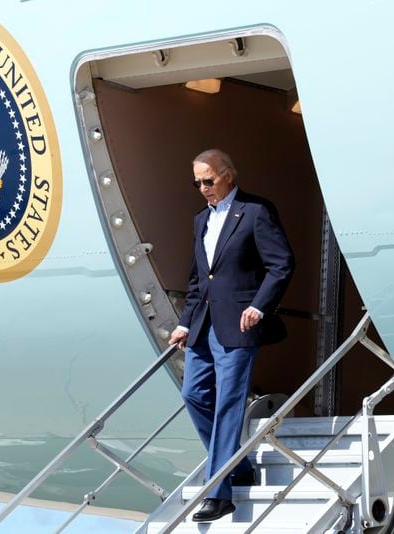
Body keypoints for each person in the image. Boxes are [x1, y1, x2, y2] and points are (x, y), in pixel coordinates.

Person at [169, 149, 294, 523]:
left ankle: (219, 492)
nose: (204, 188)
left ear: (228, 175)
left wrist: (259, 305)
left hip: (239, 326)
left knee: (228, 405)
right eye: (198, 183)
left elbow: (281, 263)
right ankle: (236, 466)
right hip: (204, 325)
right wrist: (185, 322)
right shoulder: (200, 220)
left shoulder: (256, 211)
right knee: (193, 395)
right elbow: (198, 280)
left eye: (209, 180)